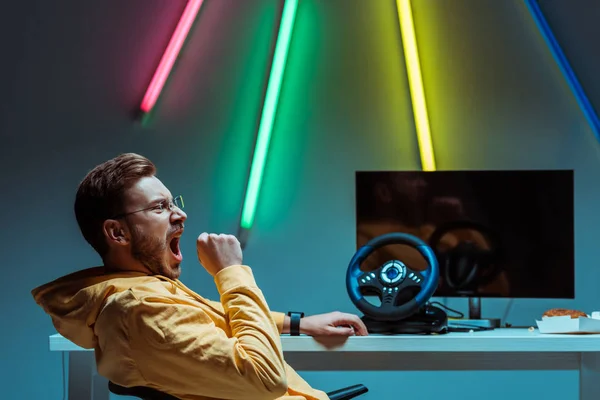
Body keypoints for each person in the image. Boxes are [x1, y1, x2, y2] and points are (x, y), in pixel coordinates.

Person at [32, 153, 368, 400]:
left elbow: (207, 313)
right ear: (117, 233)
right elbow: (266, 377)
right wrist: (231, 271)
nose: (181, 214)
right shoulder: (141, 310)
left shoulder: (140, 290)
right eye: (159, 208)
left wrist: (298, 323)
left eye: (173, 202)